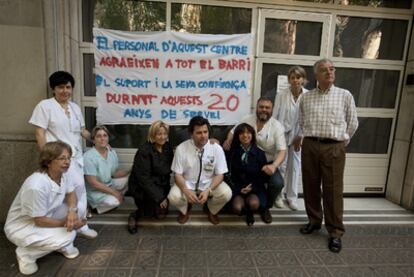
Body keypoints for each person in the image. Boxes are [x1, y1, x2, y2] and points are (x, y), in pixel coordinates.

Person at [298, 58, 358, 253]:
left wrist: (340, 143)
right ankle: (314, 221)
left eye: (332, 69)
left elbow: (352, 123)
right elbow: (301, 121)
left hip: (334, 147)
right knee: (311, 185)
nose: (329, 72)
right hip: (311, 145)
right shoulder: (306, 97)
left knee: (333, 190)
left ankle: (335, 232)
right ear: (316, 75)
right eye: (324, 70)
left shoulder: (344, 95)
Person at [29, 71, 97, 239]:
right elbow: (39, 133)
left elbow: (82, 131)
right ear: (53, 89)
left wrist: (97, 140)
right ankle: (58, 228)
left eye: (68, 87)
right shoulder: (45, 106)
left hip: (76, 158)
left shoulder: (74, 108)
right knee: (63, 195)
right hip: (57, 160)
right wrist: (47, 158)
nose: (65, 91)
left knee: (80, 192)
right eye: (60, 87)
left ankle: (81, 224)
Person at [4, 141, 86, 275]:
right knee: (69, 235)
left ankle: (59, 243)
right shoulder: (36, 185)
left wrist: (72, 213)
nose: (67, 162)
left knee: (80, 208)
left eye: (68, 158)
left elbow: (71, 193)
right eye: (61, 158)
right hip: (23, 226)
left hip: (46, 215)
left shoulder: (62, 174)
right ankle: (26, 254)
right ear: (48, 162)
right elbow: (39, 221)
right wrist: (68, 224)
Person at [223, 97, 287, 223]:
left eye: (267, 107)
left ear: (272, 110)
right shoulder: (247, 119)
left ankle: (266, 207)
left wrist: (273, 166)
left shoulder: (277, 126)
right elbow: (233, 131)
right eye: (261, 107)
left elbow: (282, 151)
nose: (264, 110)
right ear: (256, 108)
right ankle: (244, 201)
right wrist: (228, 140)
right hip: (246, 161)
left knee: (278, 183)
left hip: (267, 163)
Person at [168, 116, 232, 225]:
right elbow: (177, 174)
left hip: (208, 184)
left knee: (226, 193)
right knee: (173, 197)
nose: (203, 136)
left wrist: (209, 190)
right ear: (191, 134)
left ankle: (211, 210)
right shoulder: (181, 148)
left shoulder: (216, 148)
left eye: (205, 132)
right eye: (198, 133)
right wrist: (186, 190)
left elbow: (220, 174)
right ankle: (185, 210)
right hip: (187, 184)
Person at [127, 120, 174, 234]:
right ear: (153, 135)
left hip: (160, 185)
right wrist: (160, 197)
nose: (162, 137)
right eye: (159, 134)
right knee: (153, 212)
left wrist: (165, 194)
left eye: (164, 134)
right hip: (143, 188)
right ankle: (134, 215)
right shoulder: (144, 150)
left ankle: (153, 208)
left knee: (161, 214)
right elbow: (143, 179)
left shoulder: (167, 147)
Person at [273, 66, 308, 211]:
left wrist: (301, 136)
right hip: (282, 135)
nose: (295, 80)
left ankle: (292, 198)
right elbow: (275, 116)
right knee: (281, 166)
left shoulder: (308, 95)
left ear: (303, 80)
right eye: (292, 77)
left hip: (298, 137)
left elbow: (308, 118)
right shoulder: (281, 95)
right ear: (289, 80)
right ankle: (278, 196)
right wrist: (276, 136)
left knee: (295, 167)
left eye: (298, 77)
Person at [83, 126, 129, 215]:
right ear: (93, 139)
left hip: (108, 184)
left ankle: (110, 199)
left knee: (131, 179)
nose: (102, 138)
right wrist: (115, 193)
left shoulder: (112, 153)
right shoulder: (88, 157)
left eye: (105, 135)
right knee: (115, 201)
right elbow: (93, 183)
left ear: (108, 138)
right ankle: (95, 207)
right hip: (95, 191)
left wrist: (130, 170)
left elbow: (114, 173)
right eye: (98, 136)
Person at [228, 123, 268, 226]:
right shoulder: (232, 152)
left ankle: (250, 212)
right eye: (241, 133)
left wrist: (252, 187)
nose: (245, 135)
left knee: (254, 204)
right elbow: (227, 174)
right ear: (237, 136)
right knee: (237, 208)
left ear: (253, 135)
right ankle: (245, 210)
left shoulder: (260, 153)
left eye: (248, 132)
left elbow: (263, 176)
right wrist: (238, 188)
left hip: (254, 188)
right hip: (237, 187)